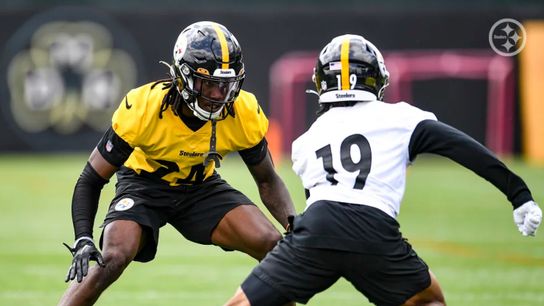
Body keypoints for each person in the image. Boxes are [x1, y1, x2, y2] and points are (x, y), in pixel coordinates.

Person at [224, 34, 542, 306]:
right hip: (373, 228)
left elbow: (324, 205)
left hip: (317, 228)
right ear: (376, 78)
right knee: (427, 300)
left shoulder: (307, 140)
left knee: (244, 302)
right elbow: (464, 149)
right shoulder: (402, 118)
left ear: (322, 83)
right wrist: (518, 193)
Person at [58, 21, 296, 306]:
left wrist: (294, 227)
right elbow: (91, 178)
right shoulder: (145, 106)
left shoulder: (242, 110)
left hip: (200, 189)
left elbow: (267, 179)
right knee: (113, 256)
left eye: (225, 85)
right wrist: (83, 237)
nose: (218, 95)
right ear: (183, 77)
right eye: (209, 84)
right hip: (143, 186)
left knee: (276, 247)